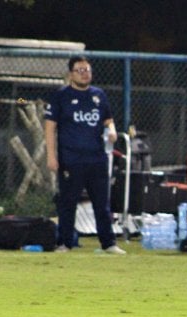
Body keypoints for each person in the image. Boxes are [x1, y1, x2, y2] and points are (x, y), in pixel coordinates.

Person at [45, 56, 126, 254]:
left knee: (102, 203)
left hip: (97, 159)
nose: (84, 74)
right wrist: (51, 156)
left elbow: (108, 120)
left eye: (87, 70)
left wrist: (113, 130)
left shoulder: (99, 95)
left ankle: (108, 243)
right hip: (71, 160)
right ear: (71, 74)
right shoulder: (61, 96)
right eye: (80, 70)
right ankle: (64, 243)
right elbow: (50, 127)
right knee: (68, 203)